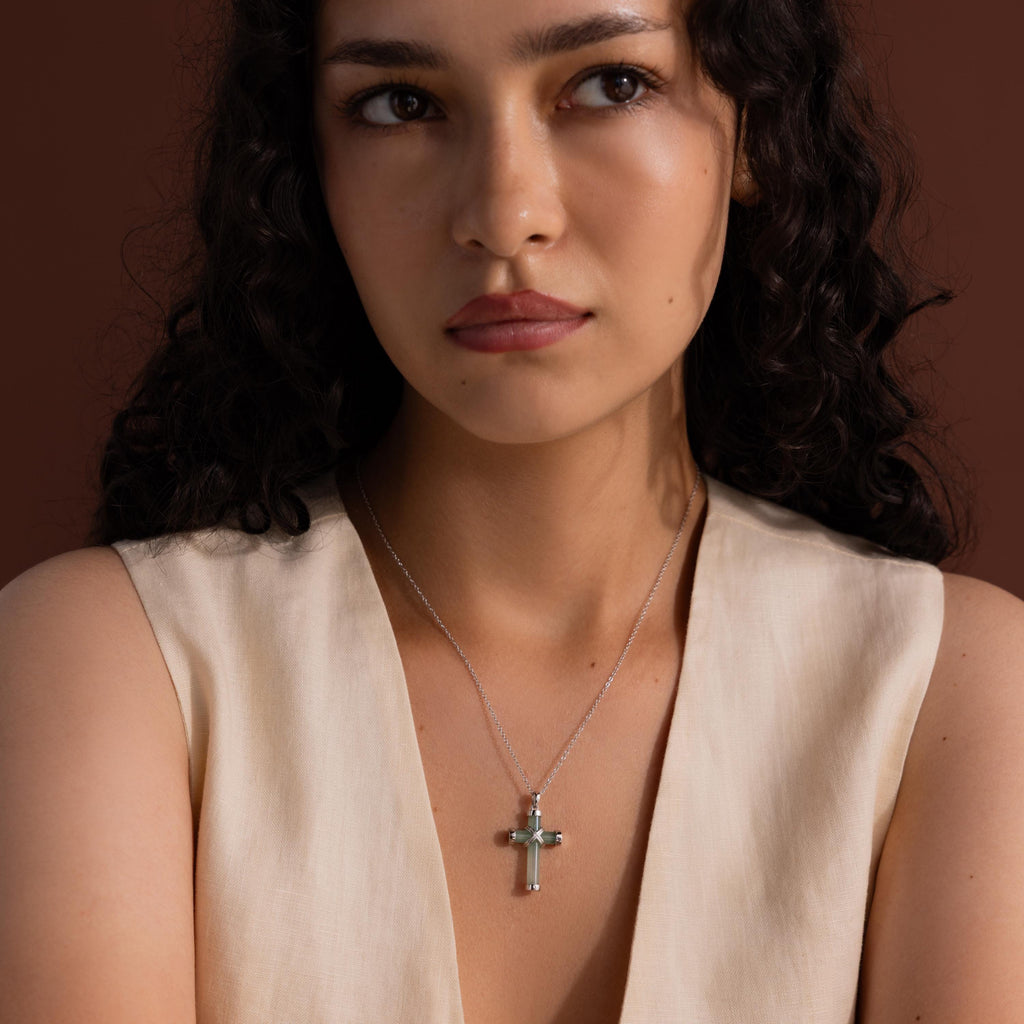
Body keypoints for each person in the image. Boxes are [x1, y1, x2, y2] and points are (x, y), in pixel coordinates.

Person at [2, 0, 1023, 1020]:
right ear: (310, 164)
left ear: (755, 124)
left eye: (609, 84)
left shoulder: (946, 692)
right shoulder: (114, 664)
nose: (503, 211)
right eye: (400, 103)